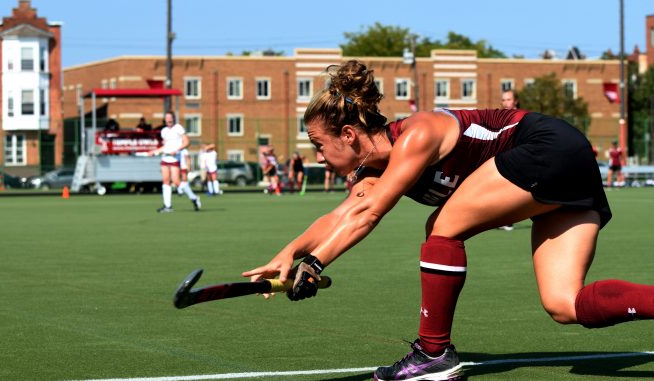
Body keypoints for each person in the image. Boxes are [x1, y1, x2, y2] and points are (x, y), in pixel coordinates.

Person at [242, 60, 654, 381]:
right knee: (564, 305)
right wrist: (291, 252)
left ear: (348, 135)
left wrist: (315, 265)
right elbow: (344, 213)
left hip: (545, 147)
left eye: (318, 145)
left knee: (442, 227)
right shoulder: (373, 173)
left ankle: (433, 354)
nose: (316, 156)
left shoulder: (417, 134)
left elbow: (371, 213)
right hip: (565, 170)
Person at [146, 111, 200, 212]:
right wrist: (155, 151)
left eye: (170, 118)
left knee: (176, 181)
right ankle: (168, 206)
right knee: (166, 181)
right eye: (167, 118)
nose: (169, 120)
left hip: (175, 158)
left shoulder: (178, 128)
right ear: (165, 119)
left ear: (173, 118)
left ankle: (194, 198)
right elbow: (165, 146)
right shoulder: (164, 131)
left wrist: (177, 150)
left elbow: (187, 142)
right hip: (165, 158)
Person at [497, 89, 520, 231]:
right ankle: (503, 219)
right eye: (504, 100)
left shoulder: (522, 116)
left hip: (517, 158)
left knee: (512, 190)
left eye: (509, 99)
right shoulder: (500, 117)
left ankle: (509, 220)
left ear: (515, 101)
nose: (506, 103)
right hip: (503, 157)